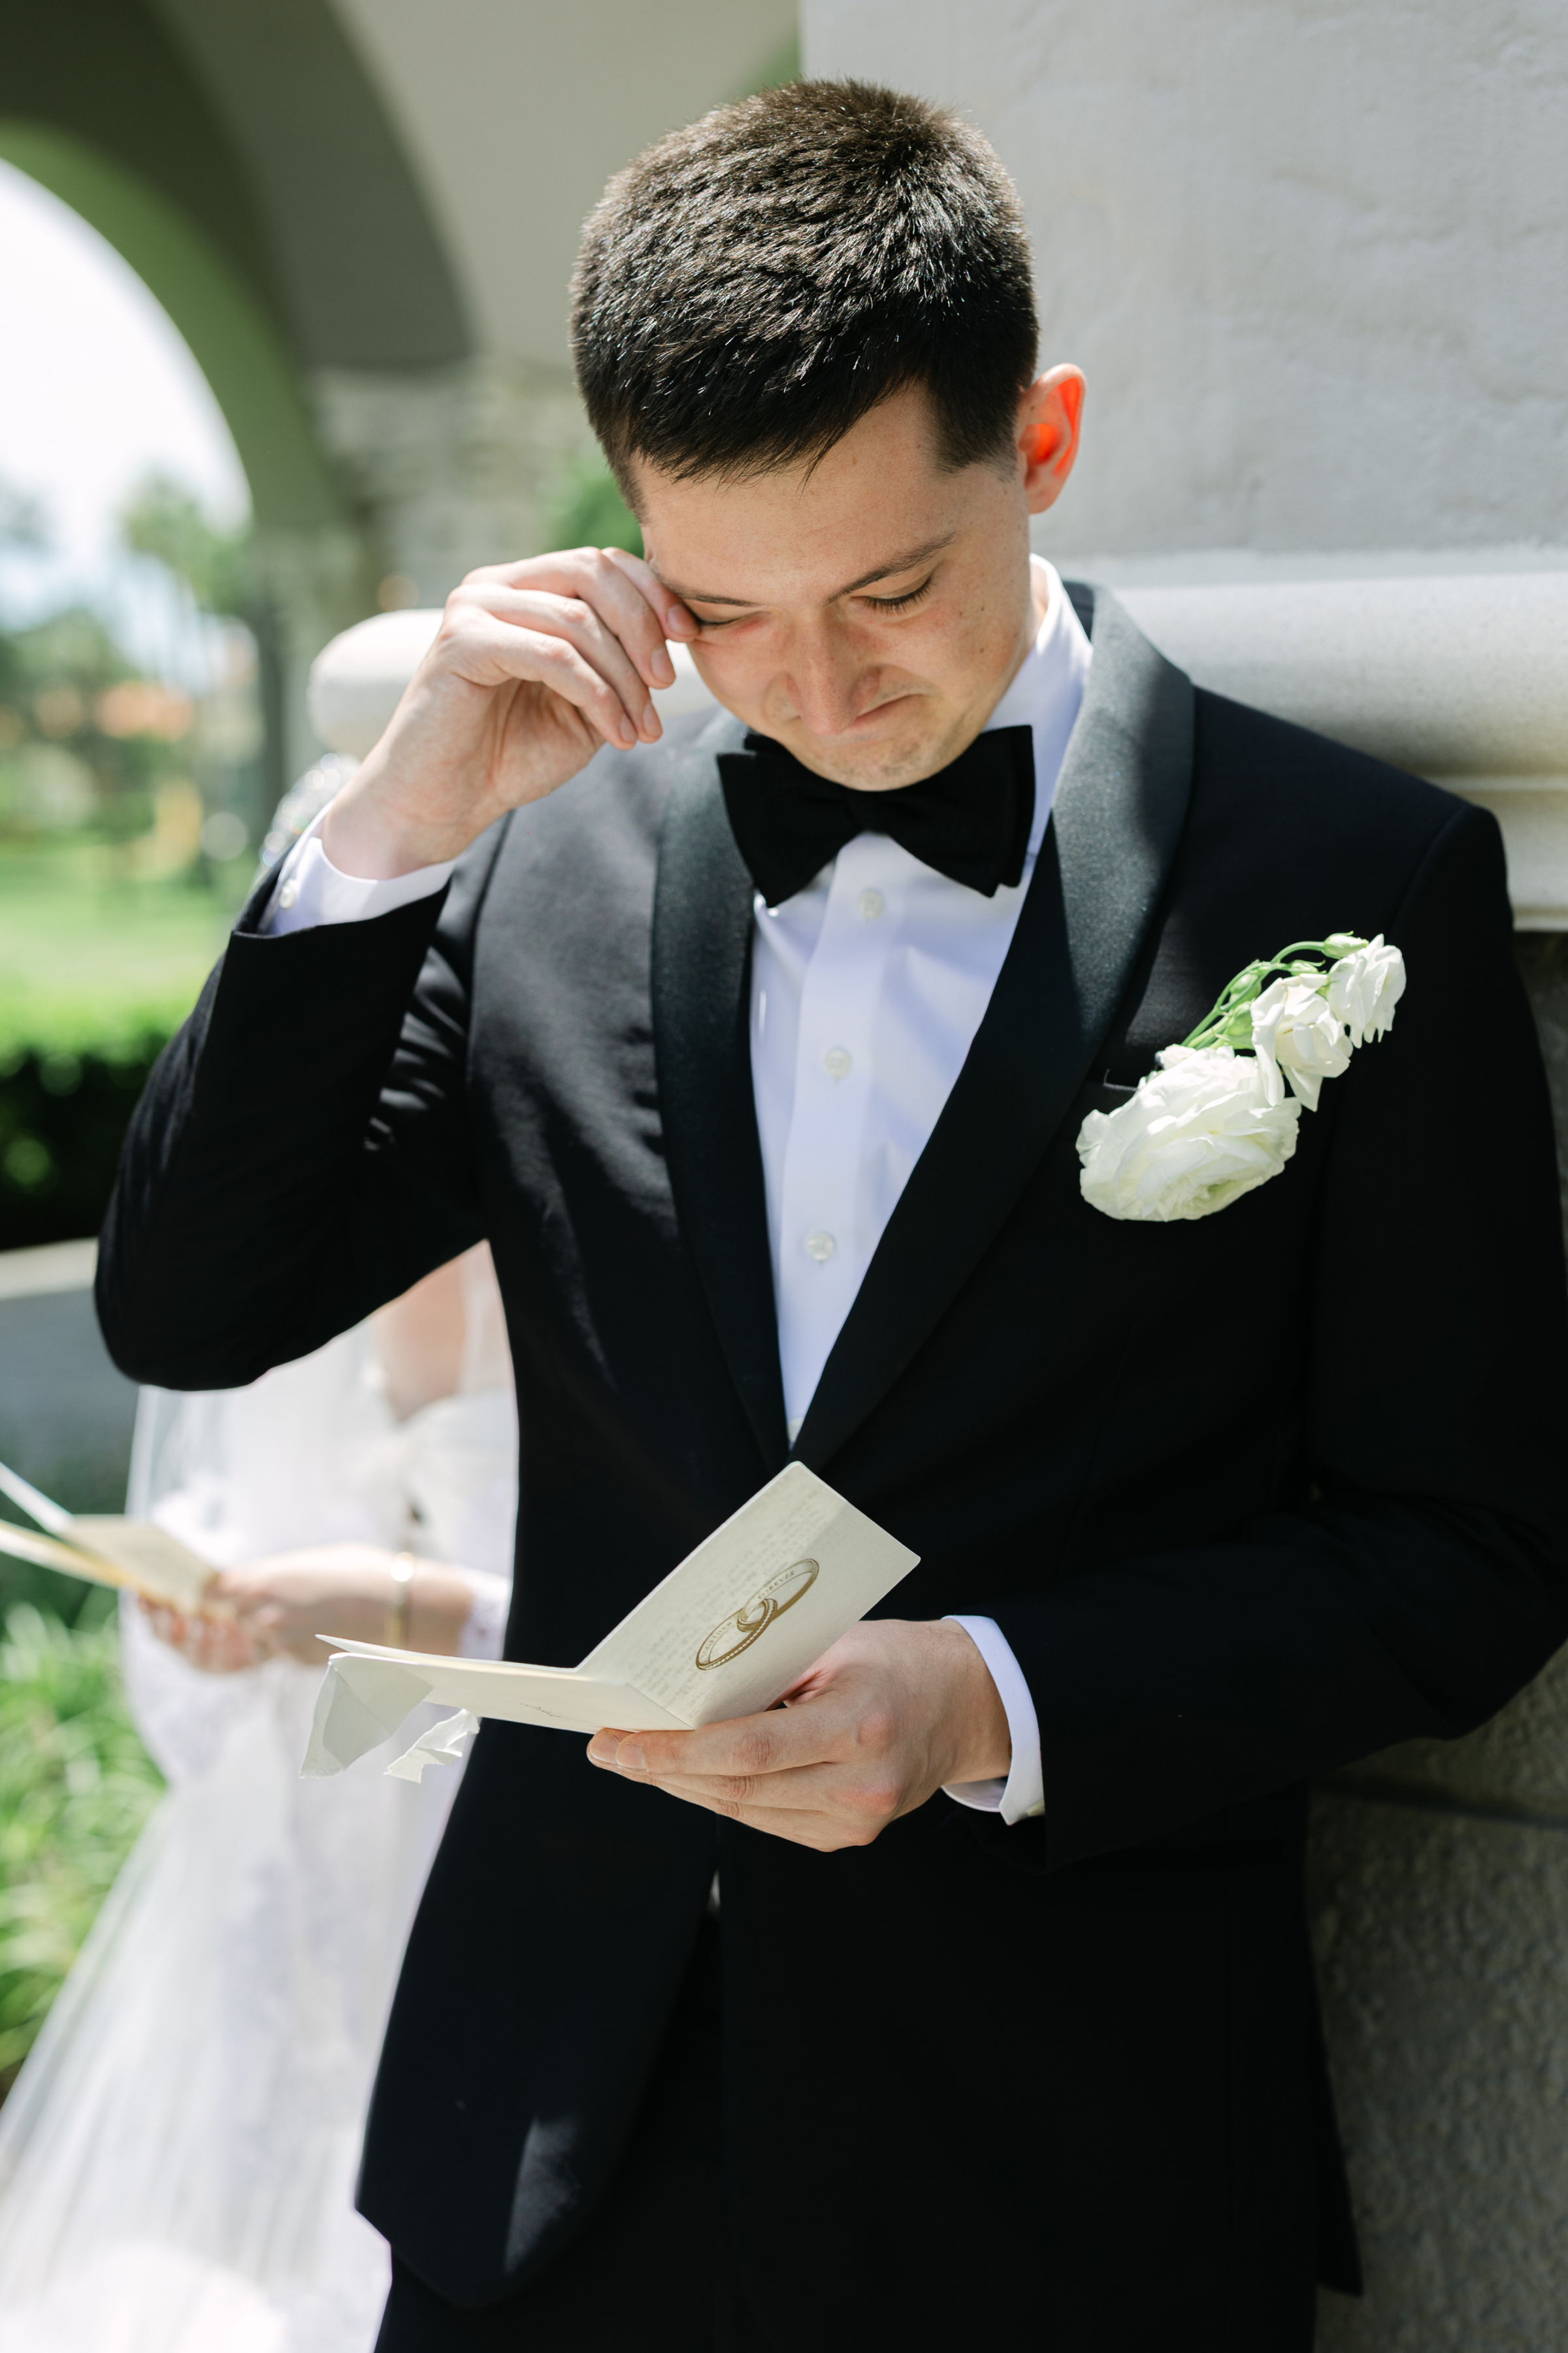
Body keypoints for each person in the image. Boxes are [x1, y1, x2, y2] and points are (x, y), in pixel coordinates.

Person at [96, 79, 1568, 2353]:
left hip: (1069, 2177)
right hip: (542, 2157)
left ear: (1042, 441)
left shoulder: (1351, 885)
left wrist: (989, 1701)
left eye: (892, 588)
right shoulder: (538, 856)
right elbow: (192, 1306)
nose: (816, 686)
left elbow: (1467, 1553)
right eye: (724, 611)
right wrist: (391, 827)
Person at [0, 1245, 516, 2352]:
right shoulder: (292, 1226)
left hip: (503, 1838)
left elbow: (661, 1639)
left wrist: (409, 1609)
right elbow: (222, 1509)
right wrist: (205, 1615)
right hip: (298, 1852)